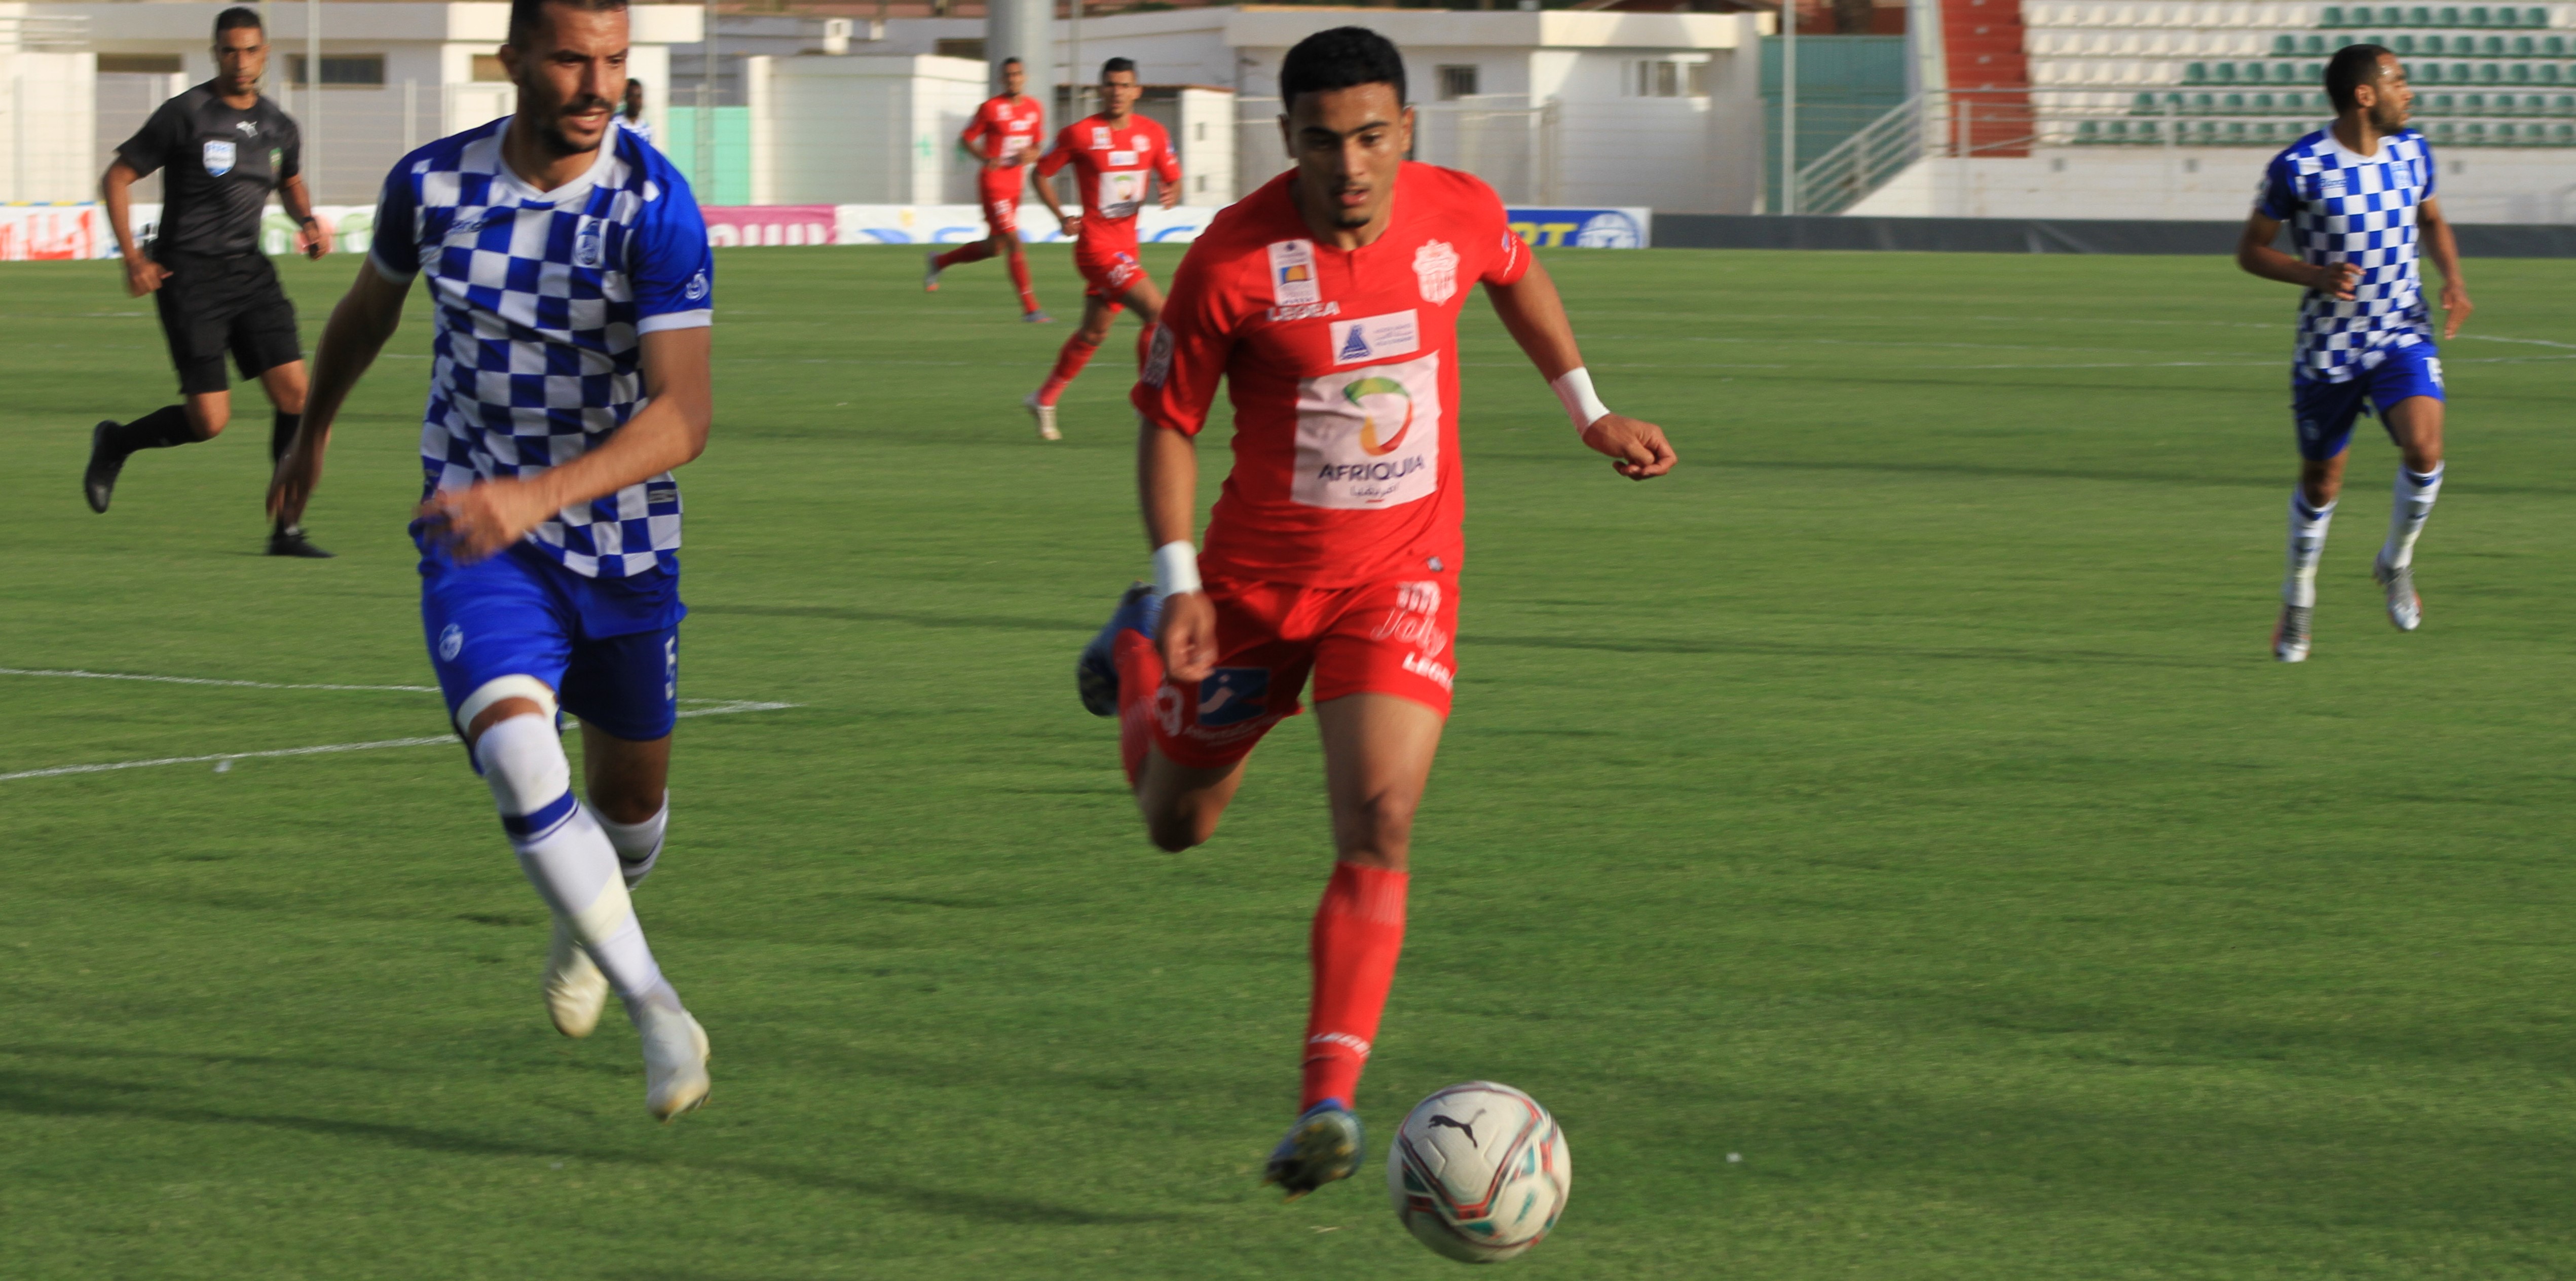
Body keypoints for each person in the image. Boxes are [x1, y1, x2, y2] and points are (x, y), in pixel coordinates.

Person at [1072, 26, 1676, 1197]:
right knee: (1175, 826)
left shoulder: (1454, 210)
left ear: (1405, 130)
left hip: (1400, 574)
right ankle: (1139, 645)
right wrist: (1182, 581)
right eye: (1319, 142)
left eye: (1369, 138)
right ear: (1284, 137)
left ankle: (1327, 1103)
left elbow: (1515, 272)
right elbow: (1169, 422)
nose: (1348, 167)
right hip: (1245, 593)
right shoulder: (1230, 262)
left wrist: (1588, 411)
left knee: (1382, 818)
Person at [267, 0, 717, 1120]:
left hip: (618, 546)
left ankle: (589, 923)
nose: (596, 85)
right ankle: (662, 1010)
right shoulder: (431, 186)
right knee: (519, 759)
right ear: (512, 58)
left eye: (614, 61)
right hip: (475, 533)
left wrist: (541, 497)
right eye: (571, 59)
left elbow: (684, 418)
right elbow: (367, 313)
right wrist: (313, 431)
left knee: (634, 815)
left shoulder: (653, 206)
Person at [2238, 43, 2468, 663]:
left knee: (2425, 448)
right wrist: (2312, 276)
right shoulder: (2299, 167)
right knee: (2321, 484)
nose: (2409, 92)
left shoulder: (2413, 151)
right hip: (2329, 346)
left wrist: (2451, 277)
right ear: (2364, 94)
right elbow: (2250, 250)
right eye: (2398, 81)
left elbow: (2432, 222)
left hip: (2400, 330)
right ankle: (2298, 597)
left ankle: (2394, 561)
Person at [86, 5, 334, 558]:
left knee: (297, 395)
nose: (240, 61)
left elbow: (290, 182)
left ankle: (286, 530)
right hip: (189, 275)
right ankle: (116, 441)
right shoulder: (186, 114)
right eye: (229, 51)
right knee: (210, 420)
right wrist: (132, 259)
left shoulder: (278, 126)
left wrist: (309, 221)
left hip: (249, 271)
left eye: (250, 51)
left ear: (265, 53)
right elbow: (118, 177)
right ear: (215, 53)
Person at [1023, 57, 1178, 441]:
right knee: (1157, 313)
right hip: (1095, 247)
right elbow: (1039, 173)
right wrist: (1061, 216)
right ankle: (1149, 401)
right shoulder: (1080, 134)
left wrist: (1171, 188)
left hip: (1127, 248)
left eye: (1125, 85)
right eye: (1110, 85)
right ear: (1101, 89)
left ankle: (1044, 398)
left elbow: (1172, 173)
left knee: (1093, 333)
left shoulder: (1153, 134)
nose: (1117, 92)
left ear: (1137, 91)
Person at [922, 56, 1048, 323]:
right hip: (994, 184)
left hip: (1015, 185)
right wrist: (984, 158)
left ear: (1024, 77)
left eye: (1017, 74)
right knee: (1015, 241)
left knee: (995, 248)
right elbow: (966, 138)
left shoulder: (1035, 109)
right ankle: (1031, 308)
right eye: (1008, 75)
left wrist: (1032, 154)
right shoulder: (990, 108)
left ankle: (939, 262)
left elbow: (1037, 145)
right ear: (1002, 79)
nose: (1013, 79)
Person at [618, 77, 653, 144]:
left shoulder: (646, 130)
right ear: (626, 99)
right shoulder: (614, 125)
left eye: (639, 96)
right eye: (632, 96)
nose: (637, 101)